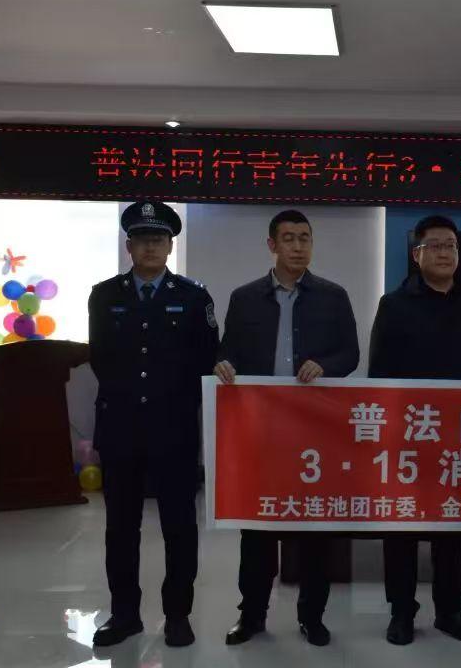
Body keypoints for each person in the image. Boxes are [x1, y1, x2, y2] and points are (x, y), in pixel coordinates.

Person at [215, 209, 359, 648]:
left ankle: (312, 617)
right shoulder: (244, 298)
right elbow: (228, 350)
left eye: (305, 238)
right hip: (260, 430)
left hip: (313, 431)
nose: (298, 246)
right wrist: (224, 364)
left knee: (314, 528)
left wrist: (326, 366)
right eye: (289, 238)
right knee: (256, 528)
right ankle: (252, 616)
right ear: (272, 245)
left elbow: (350, 354)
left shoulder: (333, 296)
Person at [88, 201, 219, 649]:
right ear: (129, 246)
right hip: (120, 428)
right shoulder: (105, 295)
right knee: (121, 528)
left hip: (174, 430)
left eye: (158, 239)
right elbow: (101, 358)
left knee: (179, 527)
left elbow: (206, 358)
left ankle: (178, 615)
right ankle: (124, 615)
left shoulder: (194, 296)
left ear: (170, 247)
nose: (150, 247)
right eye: (142, 239)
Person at [369, 215, 461, 645]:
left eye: (451, 246)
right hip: (408, 434)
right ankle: (401, 611)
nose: (445, 253)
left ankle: (450, 610)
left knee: (454, 527)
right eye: (436, 245)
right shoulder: (394, 305)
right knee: (401, 527)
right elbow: (380, 373)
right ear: (416, 254)